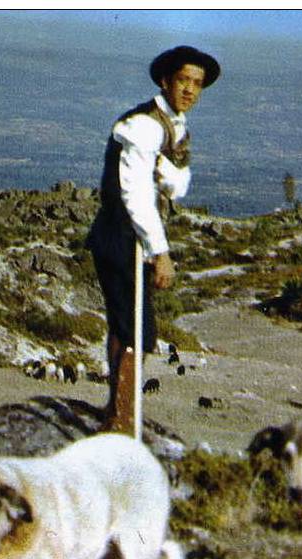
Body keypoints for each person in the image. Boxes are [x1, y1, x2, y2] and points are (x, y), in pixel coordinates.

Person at [86, 45, 221, 435]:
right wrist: (161, 253)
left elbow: (176, 188)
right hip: (121, 234)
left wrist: (164, 169)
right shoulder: (144, 125)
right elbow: (135, 195)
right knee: (131, 328)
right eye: (184, 81)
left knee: (137, 328)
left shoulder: (173, 127)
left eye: (197, 84)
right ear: (166, 81)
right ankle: (119, 415)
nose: (191, 91)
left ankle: (121, 410)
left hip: (136, 236)